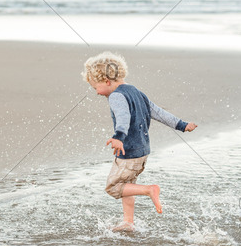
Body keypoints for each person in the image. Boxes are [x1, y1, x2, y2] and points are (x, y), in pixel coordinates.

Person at [82, 52, 197, 231]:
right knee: (129, 185)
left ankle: (149, 190)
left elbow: (123, 117)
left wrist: (119, 137)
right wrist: (181, 125)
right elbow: (158, 112)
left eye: (94, 87)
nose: (96, 92)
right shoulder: (136, 91)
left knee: (114, 188)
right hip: (142, 150)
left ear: (106, 80)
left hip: (128, 152)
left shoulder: (116, 96)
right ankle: (128, 222)